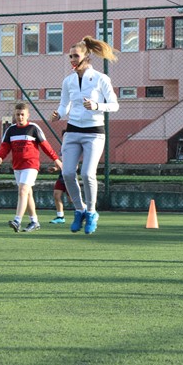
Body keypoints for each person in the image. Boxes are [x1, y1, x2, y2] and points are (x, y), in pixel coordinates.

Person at [51, 35, 119, 235]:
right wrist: (59, 114)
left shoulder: (101, 78)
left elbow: (115, 105)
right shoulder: (68, 81)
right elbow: (65, 104)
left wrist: (97, 105)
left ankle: (91, 212)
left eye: (75, 55)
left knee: (88, 174)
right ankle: (79, 210)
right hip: (72, 131)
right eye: (70, 56)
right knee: (68, 173)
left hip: (94, 133)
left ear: (86, 56)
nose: (72, 59)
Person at [0, 103, 63, 233]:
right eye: (17, 115)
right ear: (14, 116)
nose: (20, 117)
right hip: (17, 166)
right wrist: (0, 157)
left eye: (22, 115)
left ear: (27, 115)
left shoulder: (33, 128)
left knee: (23, 190)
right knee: (28, 193)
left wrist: (56, 160)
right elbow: (5, 146)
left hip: (31, 165)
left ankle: (17, 220)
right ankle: (34, 221)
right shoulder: (10, 130)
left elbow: (45, 146)